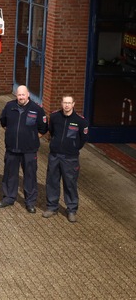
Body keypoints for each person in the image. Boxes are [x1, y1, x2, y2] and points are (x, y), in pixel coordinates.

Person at [0, 85, 48, 213]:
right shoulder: (9, 106)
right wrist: (13, 134)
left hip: (29, 150)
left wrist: (30, 138)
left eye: (23, 95)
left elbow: (43, 129)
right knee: (10, 174)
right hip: (12, 149)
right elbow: (3, 123)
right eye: (19, 95)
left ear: (28, 95)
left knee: (30, 176)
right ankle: (9, 197)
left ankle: (30, 202)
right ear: (16, 95)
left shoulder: (37, 109)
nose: (21, 97)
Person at [43, 95, 88, 223]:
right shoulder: (55, 117)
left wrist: (73, 148)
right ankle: (52, 207)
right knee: (52, 181)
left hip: (70, 158)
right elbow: (51, 132)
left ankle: (72, 209)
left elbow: (83, 139)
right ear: (61, 103)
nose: (67, 105)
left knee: (70, 183)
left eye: (69, 103)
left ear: (74, 104)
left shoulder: (81, 121)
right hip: (55, 155)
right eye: (64, 102)